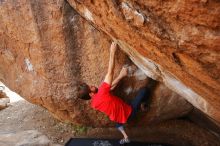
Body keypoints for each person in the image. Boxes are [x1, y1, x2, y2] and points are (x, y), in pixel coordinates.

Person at [77, 41, 149, 144]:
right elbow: (110, 72)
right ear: (90, 94)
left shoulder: (94, 103)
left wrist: (121, 76)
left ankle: (125, 136)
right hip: (129, 112)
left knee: (117, 124)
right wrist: (112, 52)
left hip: (117, 117)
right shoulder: (101, 92)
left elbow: (109, 88)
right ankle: (143, 106)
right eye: (91, 87)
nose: (92, 85)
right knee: (144, 91)